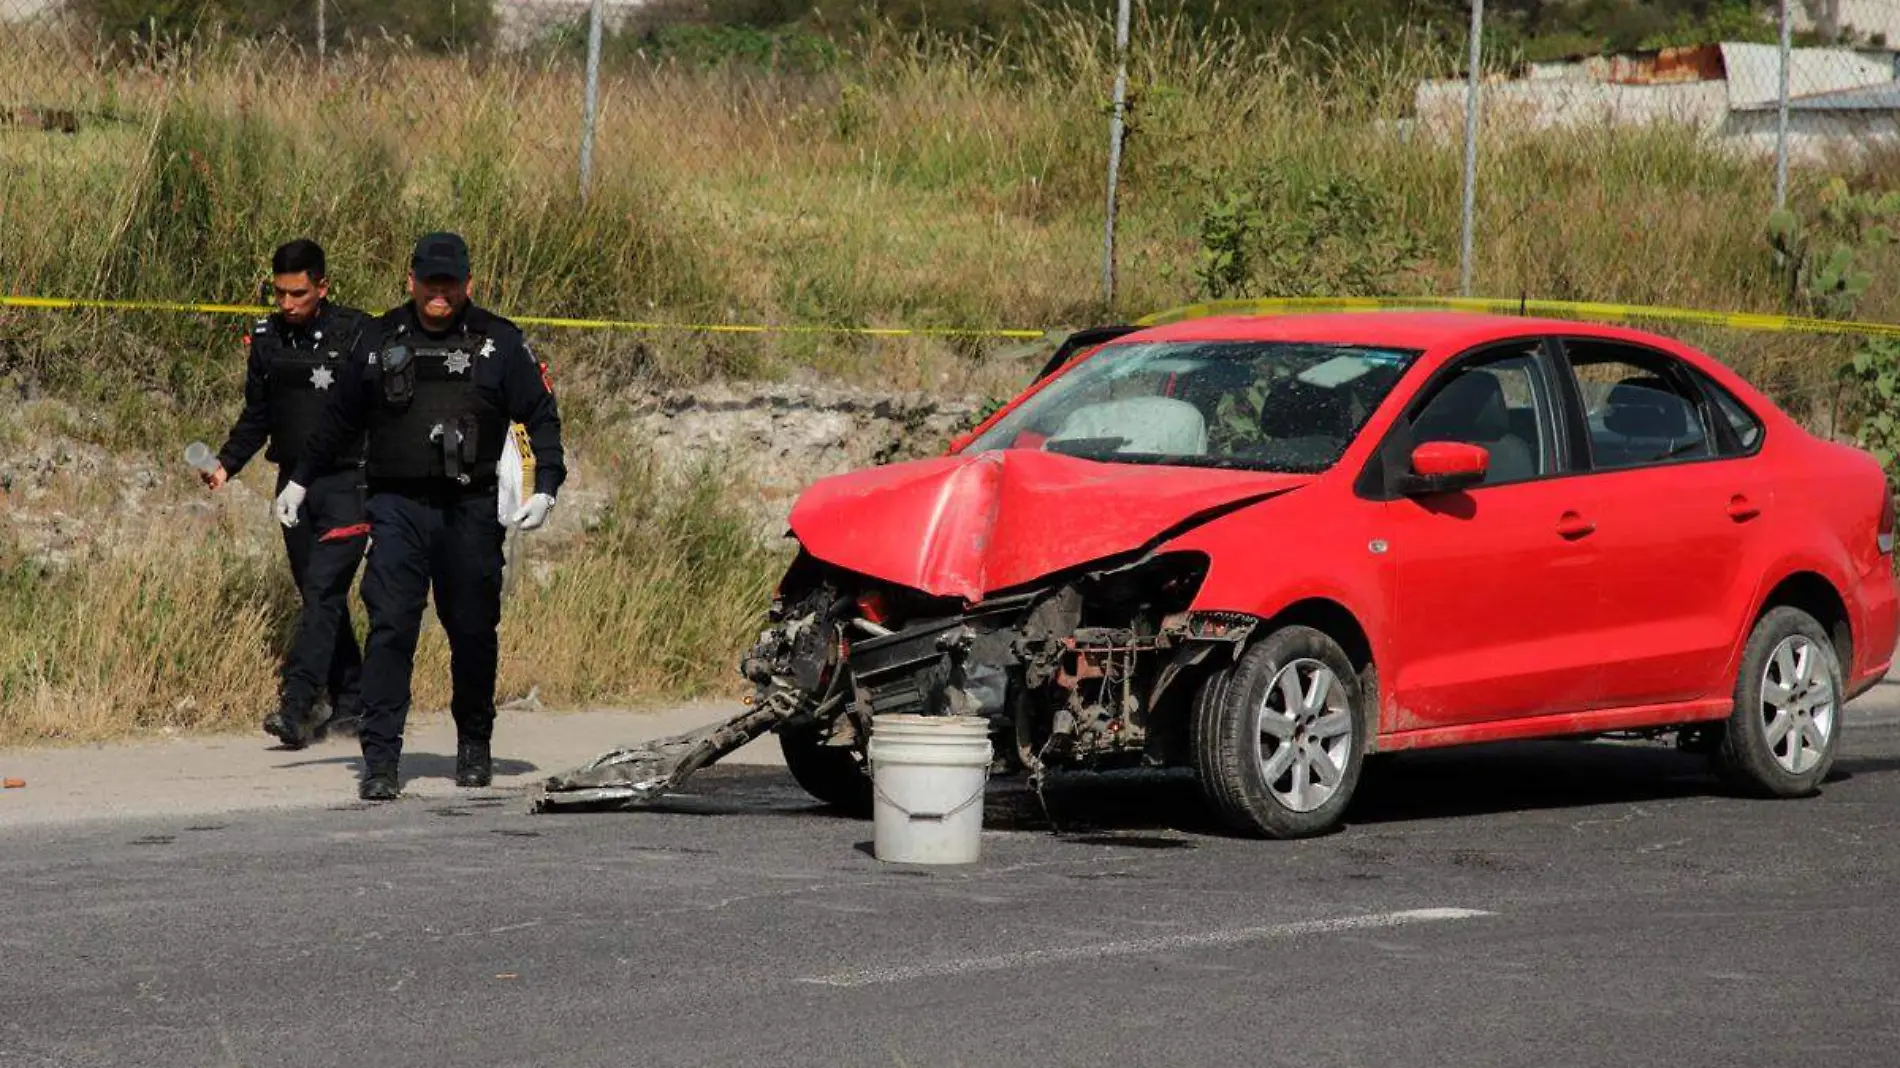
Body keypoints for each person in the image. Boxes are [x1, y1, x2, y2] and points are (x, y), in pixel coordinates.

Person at [280, 232, 564, 801]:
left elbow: (539, 417)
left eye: (450, 282)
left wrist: (546, 486)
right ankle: (381, 759)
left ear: (467, 284)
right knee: (390, 629)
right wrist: (300, 478)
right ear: (410, 281)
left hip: (472, 509)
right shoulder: (377, 339)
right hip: (396, 506)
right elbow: (338, 417)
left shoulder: (499, 343)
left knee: (474, 632)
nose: (439, 291)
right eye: (430, 281)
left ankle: (474, 745)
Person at [205, 238, 370, 749]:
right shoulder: (268, 339)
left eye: (298, 294)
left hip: (349, 483)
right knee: (319, 595)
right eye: (279, 294)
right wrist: (227, 463)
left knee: (322, 590)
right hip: (292, 488)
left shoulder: (358, 332)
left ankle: (296, 705)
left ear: (323, 287)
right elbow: (259, 415)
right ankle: (353, 702)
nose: (287, 305)